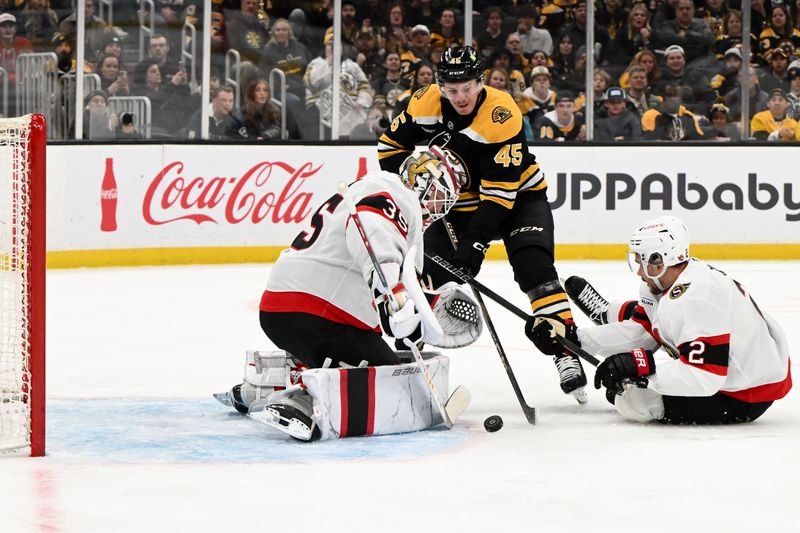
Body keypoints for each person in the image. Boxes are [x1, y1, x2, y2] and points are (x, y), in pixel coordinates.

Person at [377, 46, 589, 403]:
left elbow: (500, 197)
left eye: (468, 87)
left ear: (480, 82)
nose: (460, 96)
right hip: (458, 207)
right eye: (451, 88)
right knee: (425, 277)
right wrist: (414, 178)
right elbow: (388, 150)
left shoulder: (502, 113)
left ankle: (565, 353)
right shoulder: (423, 103)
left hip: (519, 199)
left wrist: (473, 246)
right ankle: (407, 360)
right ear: (440, 85)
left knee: (534, 268)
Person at [240, 147, 480, 439]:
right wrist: (391, 296)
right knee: (391, 382)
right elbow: (370, 226)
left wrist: (424, 304)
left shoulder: (374, 189)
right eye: (442, 194)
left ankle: (270, 380)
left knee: (389, 364)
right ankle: (304, 400)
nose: (442, 205)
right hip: (316, 313)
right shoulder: (397, 194)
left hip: (295, 308)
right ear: (426, 182)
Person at [560, 216, 791, 424]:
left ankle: (609, 314)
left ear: (659, 261)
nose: (639, 271)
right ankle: (608, 313)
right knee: (647, 317)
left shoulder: (698, 300)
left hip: (746, 392)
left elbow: (706, 375)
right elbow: (640, 333)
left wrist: (643, 367)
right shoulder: (667, 284)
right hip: (731, 369)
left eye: (642, 261)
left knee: (634, 401)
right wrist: (576, 339)